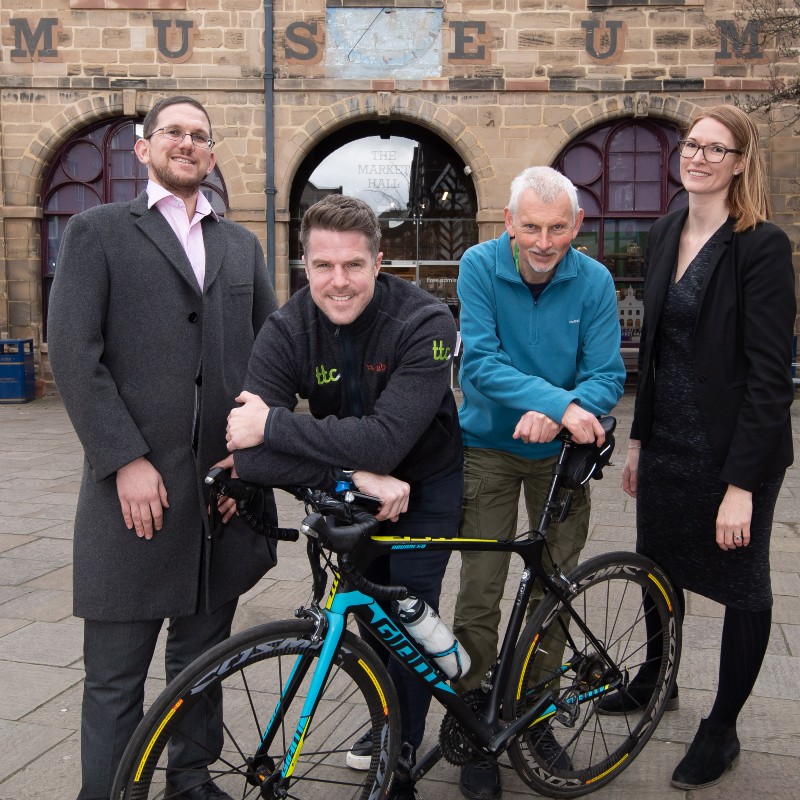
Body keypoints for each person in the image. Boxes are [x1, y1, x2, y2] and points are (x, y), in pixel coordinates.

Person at [48, 95, 279, 800]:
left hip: (221, 497)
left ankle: (191, 779)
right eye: (173, 132)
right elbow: (73, 356)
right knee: (116, 677)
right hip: (132, 501)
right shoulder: (96, 232)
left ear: (211, 153)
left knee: (203, 661)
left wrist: (251, 458)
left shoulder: (242, 246)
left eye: (200, 135)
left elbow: (270, 357)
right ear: (143, 147)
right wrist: (124, 459)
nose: (188, 143)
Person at [226, 193, 463, 799]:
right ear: (305, 267)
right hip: (358, 489)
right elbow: (247, 458)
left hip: (425, 486)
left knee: (408, 623)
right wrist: (352, 479)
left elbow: (382, 441)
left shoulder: (427, 322)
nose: (339, 281)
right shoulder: (287, 327)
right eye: (324, 266)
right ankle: (390, 720)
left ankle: (401, 760)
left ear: (378, 263)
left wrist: (277, 427)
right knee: (367, 616)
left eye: (353, 265)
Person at [604, 104, 795, 789]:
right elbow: (652, 351)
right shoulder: (663, 231)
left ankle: (723, 729)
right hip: (668, 445)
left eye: (718, 149)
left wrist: (740, 485)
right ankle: (658, 678)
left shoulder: (761, 245)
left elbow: (773, 379)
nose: (701, 157)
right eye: (693, 145)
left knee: (742, 587)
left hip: (734, 452)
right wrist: (638, 442)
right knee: (660, 567)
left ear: (741, 163)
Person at [452, 166, 626, 800]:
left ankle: (537, 710)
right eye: (531, 227)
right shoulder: (478, 264)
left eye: (558, 228)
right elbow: (482, 362)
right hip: (489, 450)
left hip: (563, 457)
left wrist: (557, 412)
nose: (545, 241)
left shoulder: (595, 280)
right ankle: (473, 716)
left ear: (577, 226)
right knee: (480, 590)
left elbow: (607, 374)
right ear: (509, 223)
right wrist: (558, 403)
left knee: (556, 584)